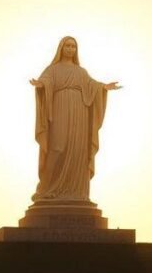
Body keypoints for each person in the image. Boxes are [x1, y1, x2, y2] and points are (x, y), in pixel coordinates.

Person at [29, 36, 121, 202]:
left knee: (78, 149)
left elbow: (92, 86)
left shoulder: (81, 72)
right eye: (68, 46)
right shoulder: (53, 69)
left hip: (80, 113)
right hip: (59, 109)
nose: (70, 49)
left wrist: (104, 87)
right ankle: (46, 189)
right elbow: (46, 81)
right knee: (57, 147)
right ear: (61, 48)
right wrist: (41, 85)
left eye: (73, 46)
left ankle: (77, 193)